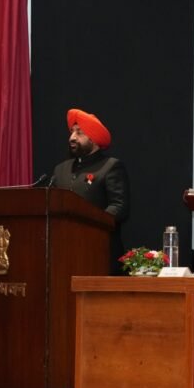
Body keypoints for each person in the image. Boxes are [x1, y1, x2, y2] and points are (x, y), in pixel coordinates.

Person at [52, 108, 130, 275]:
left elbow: (119, 207)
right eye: (72, 132)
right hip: (64, 253)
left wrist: (87, 226)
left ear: (93, 138)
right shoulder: (60, 170)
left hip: (100, 253)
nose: (72, 138)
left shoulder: (110, 166)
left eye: (79, 133)